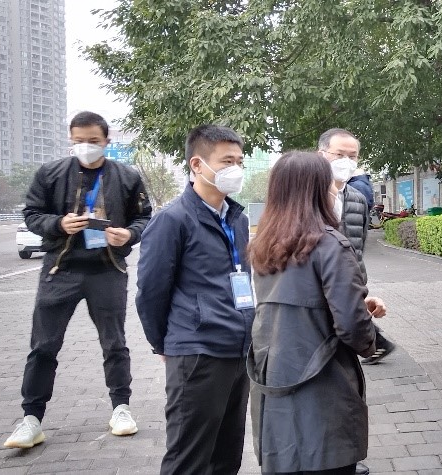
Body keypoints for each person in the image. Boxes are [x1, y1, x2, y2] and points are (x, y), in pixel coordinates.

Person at [5, 111, 151, 449]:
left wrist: (128, 234)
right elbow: (32, 214)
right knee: (43, 346)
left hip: (108, 270)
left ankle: (121, 409)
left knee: (114, 344)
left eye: (94, 141)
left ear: (106, 142)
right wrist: (58, 224)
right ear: (71, 140)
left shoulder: (127, 176)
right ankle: (31, 419)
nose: (86, 146)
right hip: (60, 270)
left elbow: (144, 217)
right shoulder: (50, 173)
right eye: (80, 140)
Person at [246, 151, 385, 475]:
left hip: (274, 377)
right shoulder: (330, 245)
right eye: (330, 184)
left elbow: (299, 303)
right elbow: (351, 325)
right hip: (322, 383)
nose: (335, 190)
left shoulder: (264, 246)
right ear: (317, 191)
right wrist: (369, 341)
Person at [136, 125, 253, 474]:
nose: (236, 169)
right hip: (197, 352)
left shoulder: (238, 219)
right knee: (188, 459)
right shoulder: (172, 220)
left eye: (240, 161)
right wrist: (165, 344)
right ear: (198, 165)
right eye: (227, 161)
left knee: (226, 457)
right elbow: (151, 292)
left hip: (238, 350)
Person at [317, 128, 395, 365]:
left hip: (348, 286)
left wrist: (359, 285)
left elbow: (358, 246)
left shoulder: (358, 199)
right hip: (316, 289)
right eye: (339, 155)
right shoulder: (306, 199)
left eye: (352, 157)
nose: (346, 162)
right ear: (321, 155)